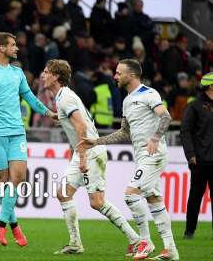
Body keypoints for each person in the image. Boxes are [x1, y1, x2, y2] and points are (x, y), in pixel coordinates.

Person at [0, 32, 57, 246]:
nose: (17, 48)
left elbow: (29, 97)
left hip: (17, 131)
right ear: (1, 48)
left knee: (19, 177)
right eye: (13, 45)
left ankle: (0, 225)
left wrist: (49, 112)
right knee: (4, 182)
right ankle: (14, 226)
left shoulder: (17, 73)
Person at [80, 59, 179, 260]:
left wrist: (155, 137)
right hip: (142, 156)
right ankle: (170, 250)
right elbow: (124, 132)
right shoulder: (127, 100)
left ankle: (145, 241)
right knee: (154, 200)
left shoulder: (149, 94)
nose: (115, 76)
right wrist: (96, 141)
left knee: (130, 195)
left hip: (154, 154)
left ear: (131, 75)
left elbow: (166, 117)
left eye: (118, 73)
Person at [40, 60, 140, 255]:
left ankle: (135, 239)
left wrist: (83, 157)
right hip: (82, 152)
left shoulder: (65, 99)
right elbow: (74, 127)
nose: (43, 75)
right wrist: (75, 153)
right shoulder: (62, 97)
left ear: (56, 77)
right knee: (63, 193)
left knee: (97, 202)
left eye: (46, 72)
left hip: (92, 153)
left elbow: (81, 127)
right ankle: (75, 243)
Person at [180, 72, 213, 240]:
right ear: (211, 86)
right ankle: (189, 232)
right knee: (195, 198)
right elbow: (185, 131)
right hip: (199, 161)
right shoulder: (194, 106)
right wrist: (190, 154)